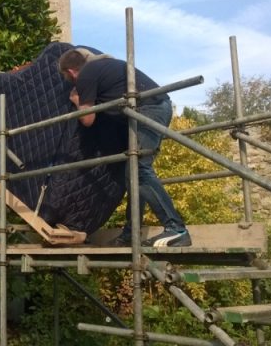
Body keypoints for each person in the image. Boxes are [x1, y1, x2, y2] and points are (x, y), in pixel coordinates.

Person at [58, 48, 192, 247]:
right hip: (154, 107)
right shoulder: (103, 67)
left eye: (66, 77)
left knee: (138, 169)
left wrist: (78, 101)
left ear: (71, 72)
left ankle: (176, 228)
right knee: (132, 174)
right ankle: (131, 234)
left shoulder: (86, 74)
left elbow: (87, 119)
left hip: (149, 110)